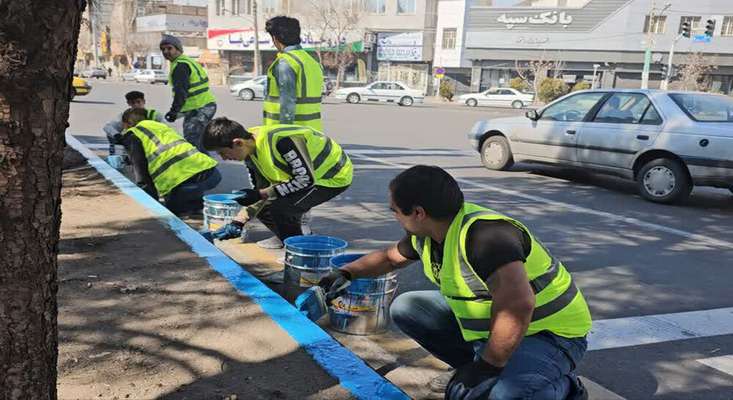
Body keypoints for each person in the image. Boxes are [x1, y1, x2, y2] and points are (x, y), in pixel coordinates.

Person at [318, 165, 592, 400]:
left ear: (418, 212)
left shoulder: (486, 237)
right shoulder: (429, 234)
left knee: (504, 394)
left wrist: (489, 367)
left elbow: (518, 304)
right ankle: (474, 367)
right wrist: (345, 273)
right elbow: (389, 259)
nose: (394, 216)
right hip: (499, 324)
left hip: (550, 334)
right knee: (408, 307)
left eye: (395, 211)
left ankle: (565, 389)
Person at [201, 118, 351, 248]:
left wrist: (261, 194)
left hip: (331, 176)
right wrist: (238, 222)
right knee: (265, 209)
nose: (224, 158)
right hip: (304, 178)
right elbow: (259, 193)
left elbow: (305, 180)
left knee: (282, 209)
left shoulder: (283, 140)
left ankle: (298, 260)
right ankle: (296, 240)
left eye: (223, 153)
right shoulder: (250, 152)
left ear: (238, 143)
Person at [120, 108, 221, 216]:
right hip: (212, 174)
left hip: (185, 185)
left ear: (128, 124)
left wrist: (150, 204)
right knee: (189, 200)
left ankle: (190, 208)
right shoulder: (160, 126)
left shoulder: (133, 135)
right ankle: (196, 206)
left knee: (172, 212)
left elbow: (142, 173)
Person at [263, 16, 324, 131]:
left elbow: (287, 102)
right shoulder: (312, 62)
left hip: (288, 133)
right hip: (312, 131)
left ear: (275, 38)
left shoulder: (286, 63)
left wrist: (283, 132)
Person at [159, 34, 217, 154]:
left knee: (193, 143)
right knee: (198, 142)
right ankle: (204, 168)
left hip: (199, 108)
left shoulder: (180, 66)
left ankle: (207, 169)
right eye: (163, 49)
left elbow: (181, 92)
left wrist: (174, 111)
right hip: (204, 105)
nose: (166, 51)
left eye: (169, 48)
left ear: (178, 49)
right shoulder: (187, 61)